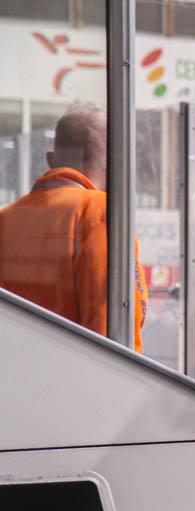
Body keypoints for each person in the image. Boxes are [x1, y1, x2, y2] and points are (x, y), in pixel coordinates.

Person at [0, 105, 148, 351]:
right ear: (114, 163)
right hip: (74, 371)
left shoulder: (5, 218)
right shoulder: (101, 211)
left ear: (50, 160)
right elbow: (113, 324)